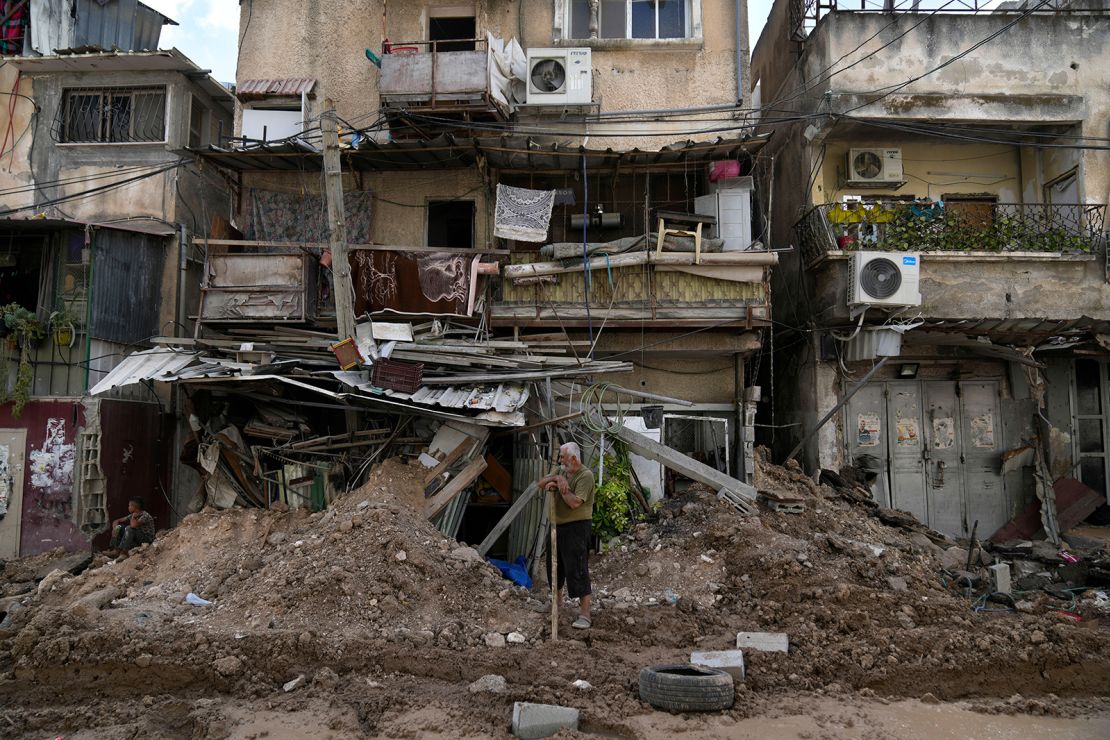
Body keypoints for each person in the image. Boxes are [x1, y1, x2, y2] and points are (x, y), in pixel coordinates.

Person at [537, 441, 596, 630]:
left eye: (562, 456)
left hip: (577, 528)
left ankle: (585, 614)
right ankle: (557, 604)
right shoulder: (561, 470)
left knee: (577, 569)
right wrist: (556, 478)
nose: (560, 459)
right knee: (554, 566)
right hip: (557, 526)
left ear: (573, 458)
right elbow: (540, 483)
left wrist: (562, 487)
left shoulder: (585, 476)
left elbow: (574, 503)